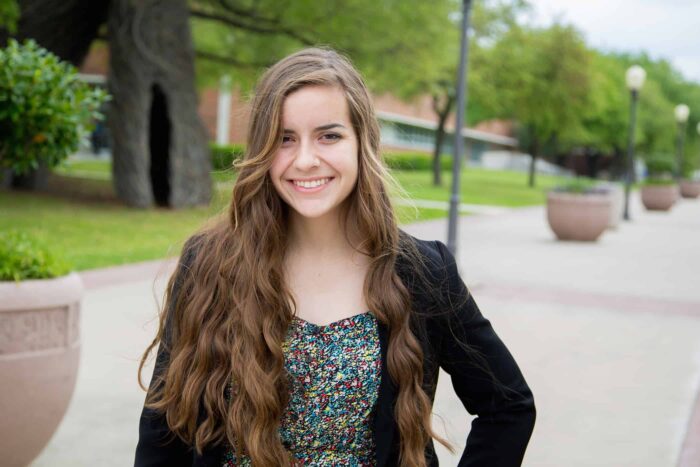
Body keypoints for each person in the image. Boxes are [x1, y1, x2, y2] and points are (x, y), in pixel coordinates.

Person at [135, 47, 535, 467]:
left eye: (329, 135)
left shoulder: (423, 272)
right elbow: (164, 427)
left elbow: (508, 407)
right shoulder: (210, 264)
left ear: (363, 143)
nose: (305, 160)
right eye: (285, 139)